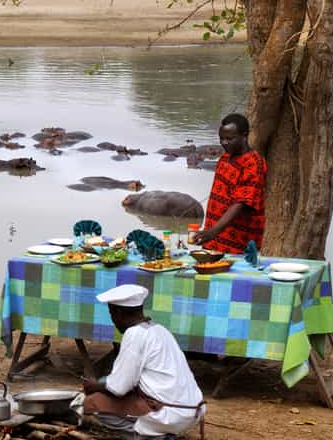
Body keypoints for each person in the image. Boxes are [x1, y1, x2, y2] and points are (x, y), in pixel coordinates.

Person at [82, 285, 205, 438]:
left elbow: (119, 387)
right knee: (105, 383)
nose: (113, 320)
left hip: (170, 414)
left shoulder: (134, 334)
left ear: (118, 312)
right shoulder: (159, 329)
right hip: (193, 409)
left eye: (111, 314)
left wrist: (94, 385)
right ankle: (157, 432)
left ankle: (151, 436)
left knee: (92, 402)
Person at [191, 113, 267, 254]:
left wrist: (213, 231)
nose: (224, 143)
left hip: (238, 239)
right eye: (221, 139)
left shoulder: (254, 163)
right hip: (215, 236)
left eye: (229, 139)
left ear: (244, 135)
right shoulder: (225, 157)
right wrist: (210, 232)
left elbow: (242, 202)